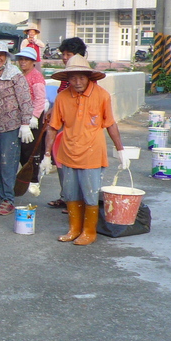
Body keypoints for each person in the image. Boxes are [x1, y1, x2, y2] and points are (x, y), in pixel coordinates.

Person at [41, 55, 130, 245]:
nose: (77, 81)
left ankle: (89, 231)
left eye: (81, 77)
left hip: (92, 153)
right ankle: (74, 228)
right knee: (70, 194)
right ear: (68, 79)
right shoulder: (63, 97)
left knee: (90, 194)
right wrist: (47, 155)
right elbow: (53, 127)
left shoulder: (102, 95)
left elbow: (110, 124)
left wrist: (120, 149)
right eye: (73, 78)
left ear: (89, 77)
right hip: (67, 152)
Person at [0, 41, 34, 216]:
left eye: (1, 55)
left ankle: (8, 199)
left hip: (11, 125)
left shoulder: (15, 75)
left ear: (6, 57)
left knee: (7, 163)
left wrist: (26, 123)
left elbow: (25, 99)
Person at [46, 37, 88, 211]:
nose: (64, 57)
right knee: (61, 163)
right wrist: (52, 110)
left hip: (78, 130)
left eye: (68, 54)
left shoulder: (85, 79)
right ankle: (66, 197)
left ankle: (78, 200)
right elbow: (61, 97)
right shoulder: (66, 78)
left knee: (77, 166)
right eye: (63, 54)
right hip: (61, 126)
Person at [15, 47, 48, 190]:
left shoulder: (36, 76)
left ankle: (34, 178)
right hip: (21, 117)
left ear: (33, 61)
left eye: (26, 59)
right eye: (21, 59)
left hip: (33, 118)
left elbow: (40, 99)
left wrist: (34, 117)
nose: (23, 62)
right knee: (22, 148)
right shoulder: (20, 75)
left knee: (32, 149)